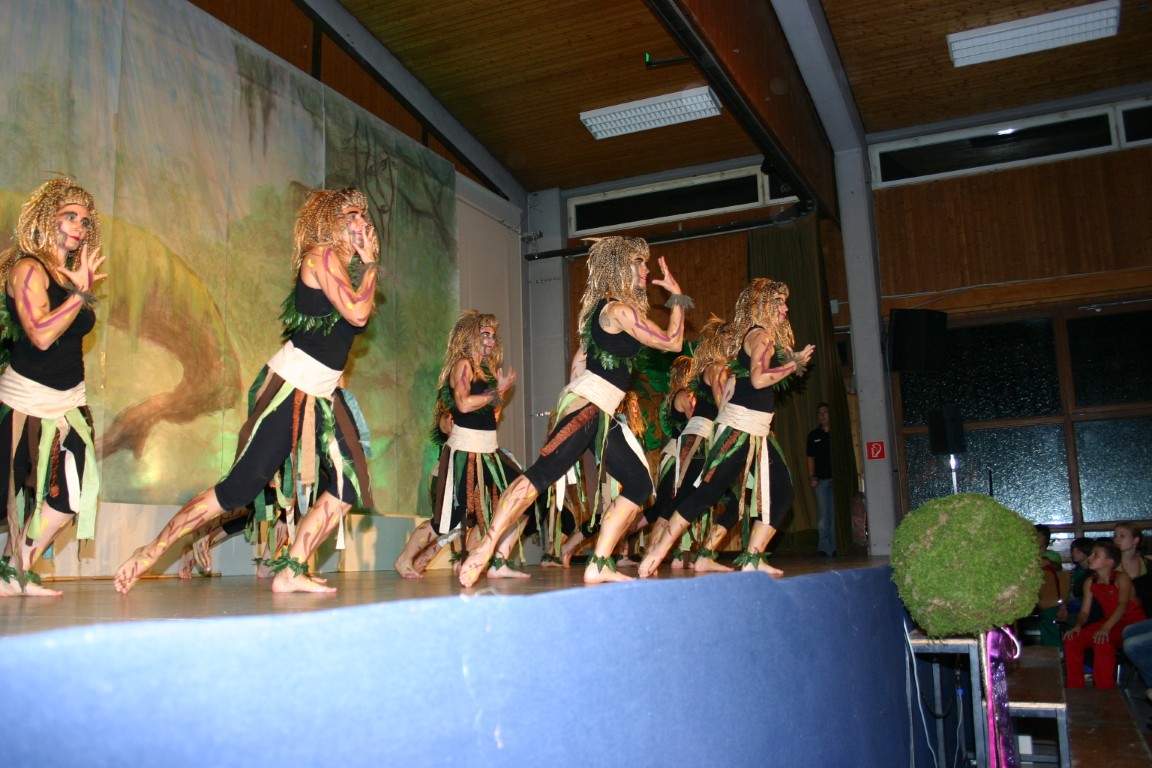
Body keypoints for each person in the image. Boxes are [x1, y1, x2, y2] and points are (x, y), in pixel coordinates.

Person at [114, 188, 379, 594]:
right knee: (238, 490)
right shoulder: (320, 256)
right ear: (329, 221)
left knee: (348, 483)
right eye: (351, 215)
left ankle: (292, 568)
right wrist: (372, 264)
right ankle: (150, 551)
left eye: (363, 215)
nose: (361, 223)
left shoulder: (342, 269)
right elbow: (358, 314)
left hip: (323, 394)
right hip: (290, 389)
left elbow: (338, 338)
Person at [458, 236, 688, 587]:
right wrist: (677, 297)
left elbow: (579, 363)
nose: (645, 270)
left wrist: (573, 401)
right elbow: (672, 342)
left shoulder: (601, 311)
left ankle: (599, 562)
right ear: (618, 266)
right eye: (638, 262)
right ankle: (485, 548)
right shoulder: (618, 310)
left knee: (639, 484)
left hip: (599, 410)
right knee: (541, 475)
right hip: (590, 407)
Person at [639, 278, 814, 578]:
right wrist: (793, 364)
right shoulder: (761, 336)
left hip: (757, 429)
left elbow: (744, 382)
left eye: (785, 303)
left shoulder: (759, 337)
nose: (785, 309)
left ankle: (752, 558)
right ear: (762, 305)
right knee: (707, 492)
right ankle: (657, 551)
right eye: (779, 302)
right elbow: (759, 379)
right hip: (740, 428)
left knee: (781, 493)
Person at [0, 178, 105, 597]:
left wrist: (77, 289)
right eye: (69, 216)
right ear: (47, 218)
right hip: (24, 402)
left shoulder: (68, 276)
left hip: (69, 404)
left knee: (72, 494)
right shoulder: (28, 269)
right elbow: (41, 336)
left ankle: (15, 570)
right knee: (9, 495)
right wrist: (80, 295)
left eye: (85, 220)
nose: (79, 225)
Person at [392, 311, 525, 580]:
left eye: (493, 336)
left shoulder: (486, 370)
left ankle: (498, 562)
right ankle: (404, 559)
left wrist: (497, 397)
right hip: (465, 453)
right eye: (485, 335)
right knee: (446, 522)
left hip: (488, 453)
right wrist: (496, 392)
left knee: (522, 497)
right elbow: (463, 405)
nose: (491, 341)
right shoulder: (462, 366)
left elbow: (488, 412)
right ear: (470, 336)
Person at [1064, 540, 1146, 688]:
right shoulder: (1090, 581)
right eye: (1091, 554)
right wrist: (1078, 625)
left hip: (1130, 623)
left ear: (1110, 561)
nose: (1090, 558)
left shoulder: (1121, 578)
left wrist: (1105, 628)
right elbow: (1084, 611)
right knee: (1072, 639)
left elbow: (1122, 605)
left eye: (1096, 555)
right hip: (1109, 622)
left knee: (1102, 640)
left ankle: (1105, 690)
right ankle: (1074, 687)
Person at [807, 402, 835, 557]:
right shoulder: (813, 435)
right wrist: (811, 476)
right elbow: (810, 457)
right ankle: (824, 548)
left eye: (825, 412)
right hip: (821, 480)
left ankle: (835, 547)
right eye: (820, 413)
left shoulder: (837, 434)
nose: (822, 416)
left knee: (834, 514)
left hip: (836, 480)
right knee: (824, 515)